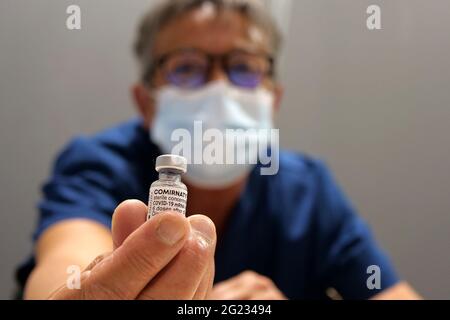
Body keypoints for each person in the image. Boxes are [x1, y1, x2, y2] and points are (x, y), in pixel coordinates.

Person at [18, 0, 420, 300]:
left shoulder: (307, 191)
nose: (219, 89)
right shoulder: (98, 166)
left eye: (243, 67)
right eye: (186, 67)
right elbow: (64, 269)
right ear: (146, 102)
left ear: (273, 99)